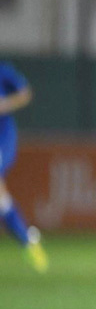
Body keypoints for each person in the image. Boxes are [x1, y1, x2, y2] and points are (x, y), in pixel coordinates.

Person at [0, 61, 48, 273]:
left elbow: (25, 93)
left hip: (3, 138)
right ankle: (27, 239)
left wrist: (4, 104)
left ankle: (27, 239)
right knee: (1, 199)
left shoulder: (3, 71)